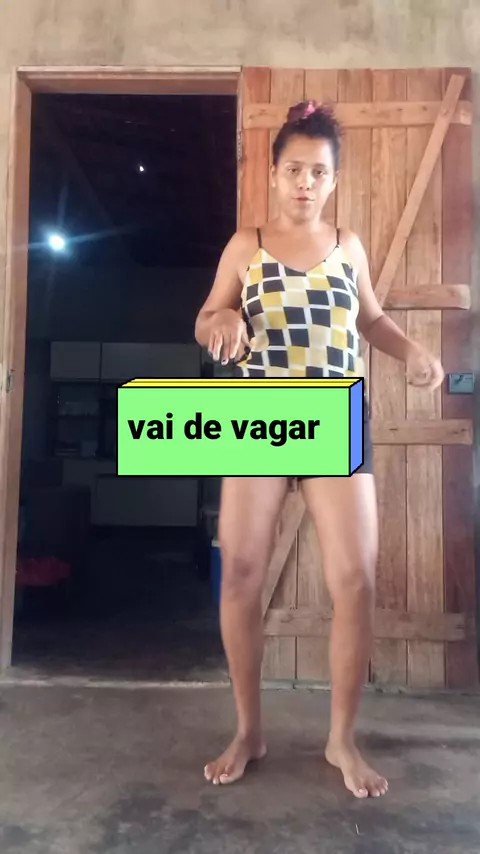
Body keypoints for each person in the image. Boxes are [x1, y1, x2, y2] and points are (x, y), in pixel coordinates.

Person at [194, 101, 444, 799]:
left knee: (354, 579)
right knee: (241, 574)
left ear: (334, 180)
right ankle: (249, 730)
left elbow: (374, 319)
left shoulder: (348, 245)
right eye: (295, 170)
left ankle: (341, 739)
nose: (306, 182)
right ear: (274, 174)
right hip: (260, 419)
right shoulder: (245, 245)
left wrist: (411, 351)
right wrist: (222, 321)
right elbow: (206, 316)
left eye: (319, 172)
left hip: (336, 419)